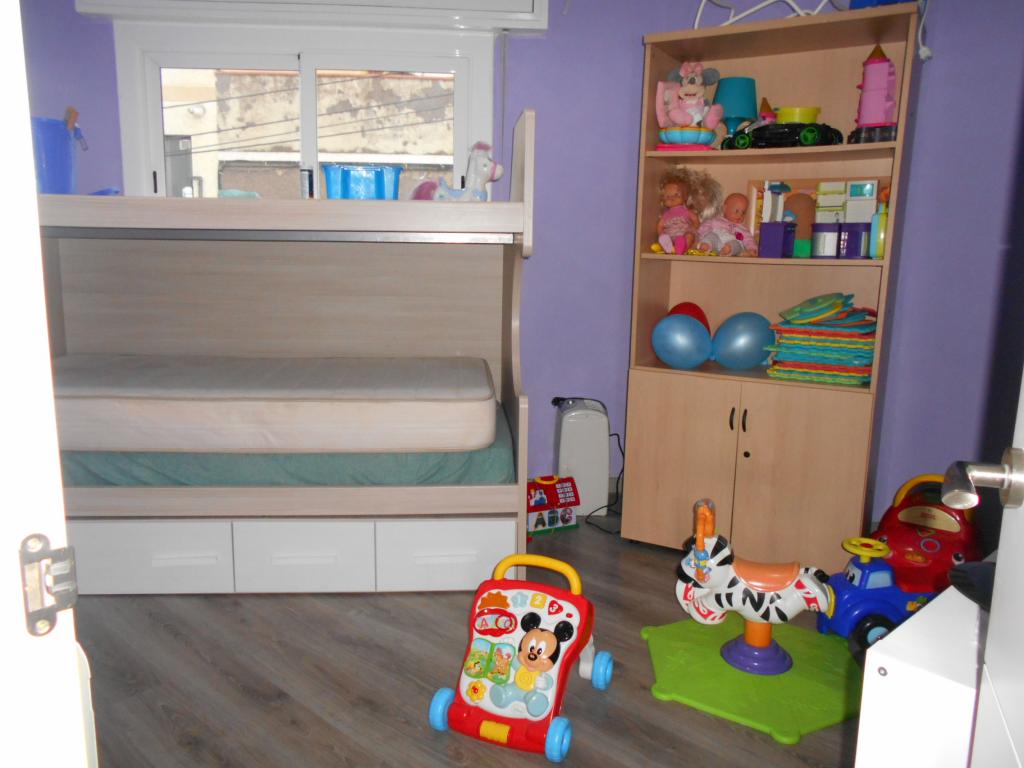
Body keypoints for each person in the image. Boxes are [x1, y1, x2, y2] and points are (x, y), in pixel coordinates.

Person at [696, 192, 756, 257]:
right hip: (716, 241)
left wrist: (752, 249)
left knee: (738, 244)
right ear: (724, 209)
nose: (740, 215)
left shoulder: (742, 229)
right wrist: (704, 234)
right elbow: (704, 227)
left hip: (732, 242)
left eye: (743, 213)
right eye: (737, 211)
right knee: (711, 236)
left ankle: (728, 250)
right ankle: (706, 245)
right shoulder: (716, 221)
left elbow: (748, 239)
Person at [657, 172, 700, 254]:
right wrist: (661, 234)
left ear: (685, 197)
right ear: (663, 199)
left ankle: (683, 247)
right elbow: (660, 225)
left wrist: (693, 228)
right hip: (670, 235)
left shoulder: (686, 211)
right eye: (668, 196)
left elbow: (695, 220)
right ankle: (669, 248)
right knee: (664, 238)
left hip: (684, 234)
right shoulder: (666, 214)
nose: (672, 198)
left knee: (689, 236)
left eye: (676, 195)